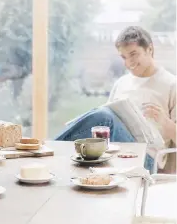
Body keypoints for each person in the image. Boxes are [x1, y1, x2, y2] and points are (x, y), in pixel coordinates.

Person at [55, 26, 176, 173]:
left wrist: (164, 121)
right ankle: (54, 151)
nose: (128, 63)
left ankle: (50, 151)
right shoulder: (122, 83)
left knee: (105, 117)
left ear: (149, 49)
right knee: (103, 118)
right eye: (124, 57)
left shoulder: (171, 84)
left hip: (147, 159)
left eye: (133, 54)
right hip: (116, 152)